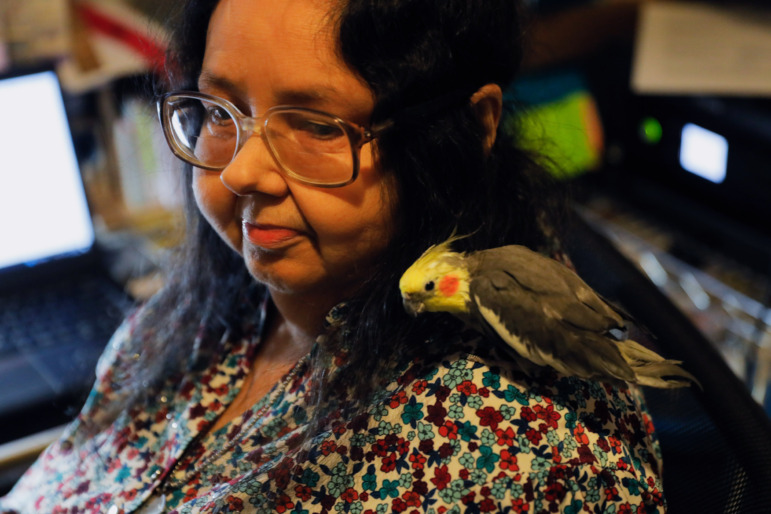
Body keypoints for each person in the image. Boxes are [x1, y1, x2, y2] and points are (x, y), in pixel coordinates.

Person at [0, 0, 667, 512]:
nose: (242, 173)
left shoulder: (504, 455)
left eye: (317, 126)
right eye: (220, 110)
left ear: (466, 129)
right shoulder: (223, 297)